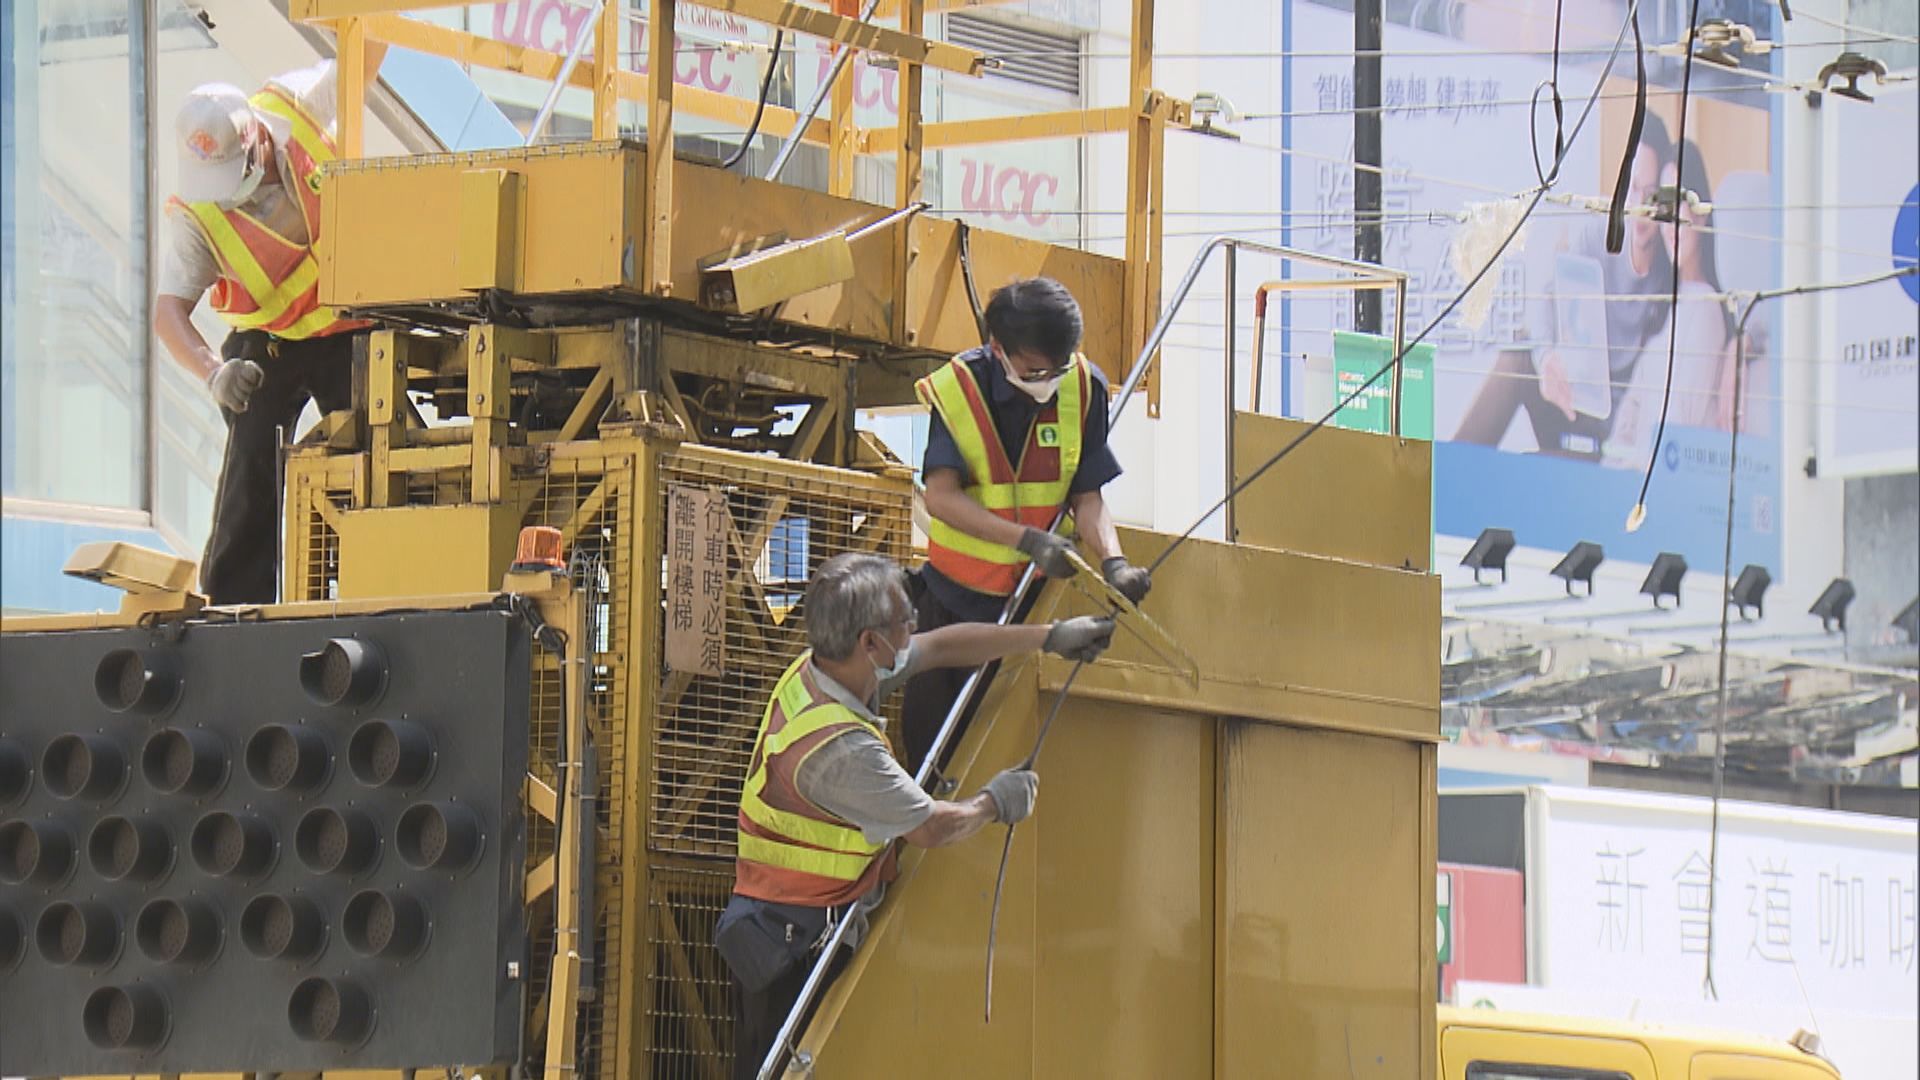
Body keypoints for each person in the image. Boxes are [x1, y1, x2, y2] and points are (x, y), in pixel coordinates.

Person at [714, 552, 1113, 1078]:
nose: (914, 629)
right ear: (870, 643)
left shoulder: (824, 671)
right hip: (796, 950)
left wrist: (1048, 637)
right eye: (906, 622)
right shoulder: (839, 752)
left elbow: (944, 646)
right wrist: (995, 801)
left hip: (781, 918)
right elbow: (932, 826)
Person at [154, 49, 385, 604]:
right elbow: (168, 314)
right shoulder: (197, 212)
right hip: (268, 345)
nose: (232, 194)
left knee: (378, 459)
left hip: (350, 328)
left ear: (257, 139)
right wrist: (215, 372)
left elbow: (364, 55)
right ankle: (235, 605)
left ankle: (379, 586)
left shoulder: (294, 106)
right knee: (251, 464)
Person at [903, 277, 1148, 773]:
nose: (1049, 381)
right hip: (953, 603)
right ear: (998, 349)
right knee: (931, 753)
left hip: (1030, 610)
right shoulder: (959, 389)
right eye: (1035, 370)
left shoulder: (1082, 386)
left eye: (1057, 368)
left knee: (1002, 754)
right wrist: (1026, 540)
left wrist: (1114, 561)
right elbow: (942, 497)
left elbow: (1087, 494)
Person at [1453, 111, 1676, 456]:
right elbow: (1548, 298)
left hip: (1612, 431)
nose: (1640, 207)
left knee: (1532, 466)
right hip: (1570, 393)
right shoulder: (1598, 236)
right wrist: (1547, 361)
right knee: (1518, 357)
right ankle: (1447, 474)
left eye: (1651, 195)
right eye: (1632, 188)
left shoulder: (1669, 267)